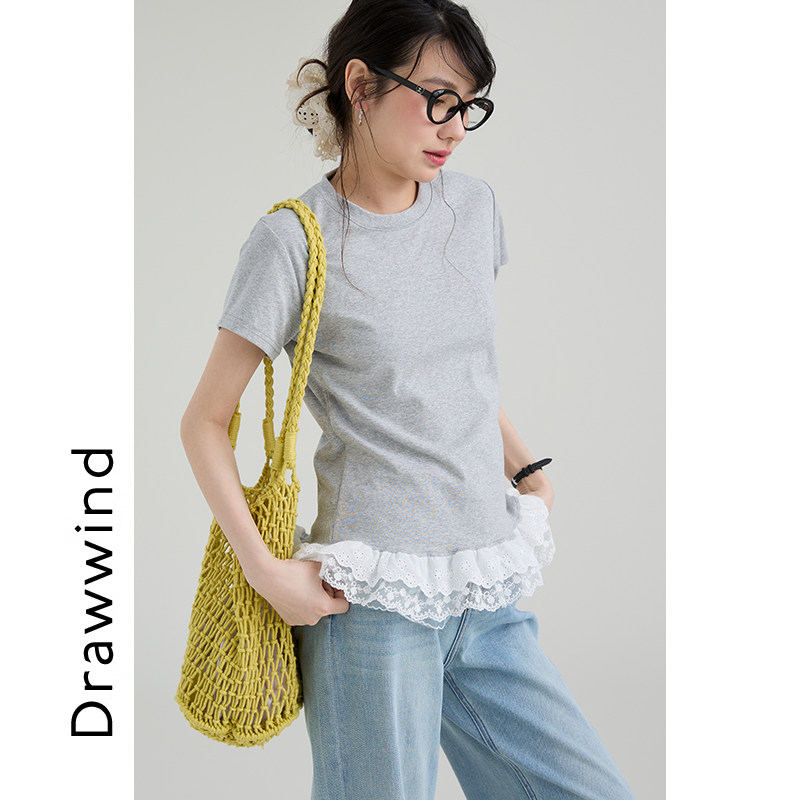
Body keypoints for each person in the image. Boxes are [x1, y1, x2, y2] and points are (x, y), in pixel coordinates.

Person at [180, 1, 638, 798]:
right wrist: (268, 573)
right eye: (437, 99)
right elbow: (203, 423)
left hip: (485, 587)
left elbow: (457, 373)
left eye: (469, 107)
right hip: (373, 605)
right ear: (360, 85)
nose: (454, 128)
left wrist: (528, 471)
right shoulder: (293, 242)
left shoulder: (473, 208)